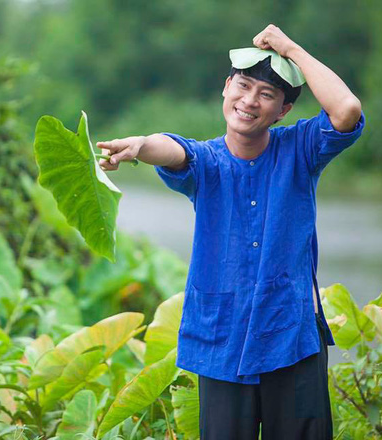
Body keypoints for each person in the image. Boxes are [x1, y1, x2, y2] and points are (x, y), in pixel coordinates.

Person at [97, 24, 365, 440]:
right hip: (222, 337)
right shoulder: (206, 161)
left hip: (290, 334)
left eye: (266, 95)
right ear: (226, 88)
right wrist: (140, 146)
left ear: (283, 111)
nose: (249, 101)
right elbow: (173, 149)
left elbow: (346, 110)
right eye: (243, 86)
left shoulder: (301, 149)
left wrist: (289, 47)